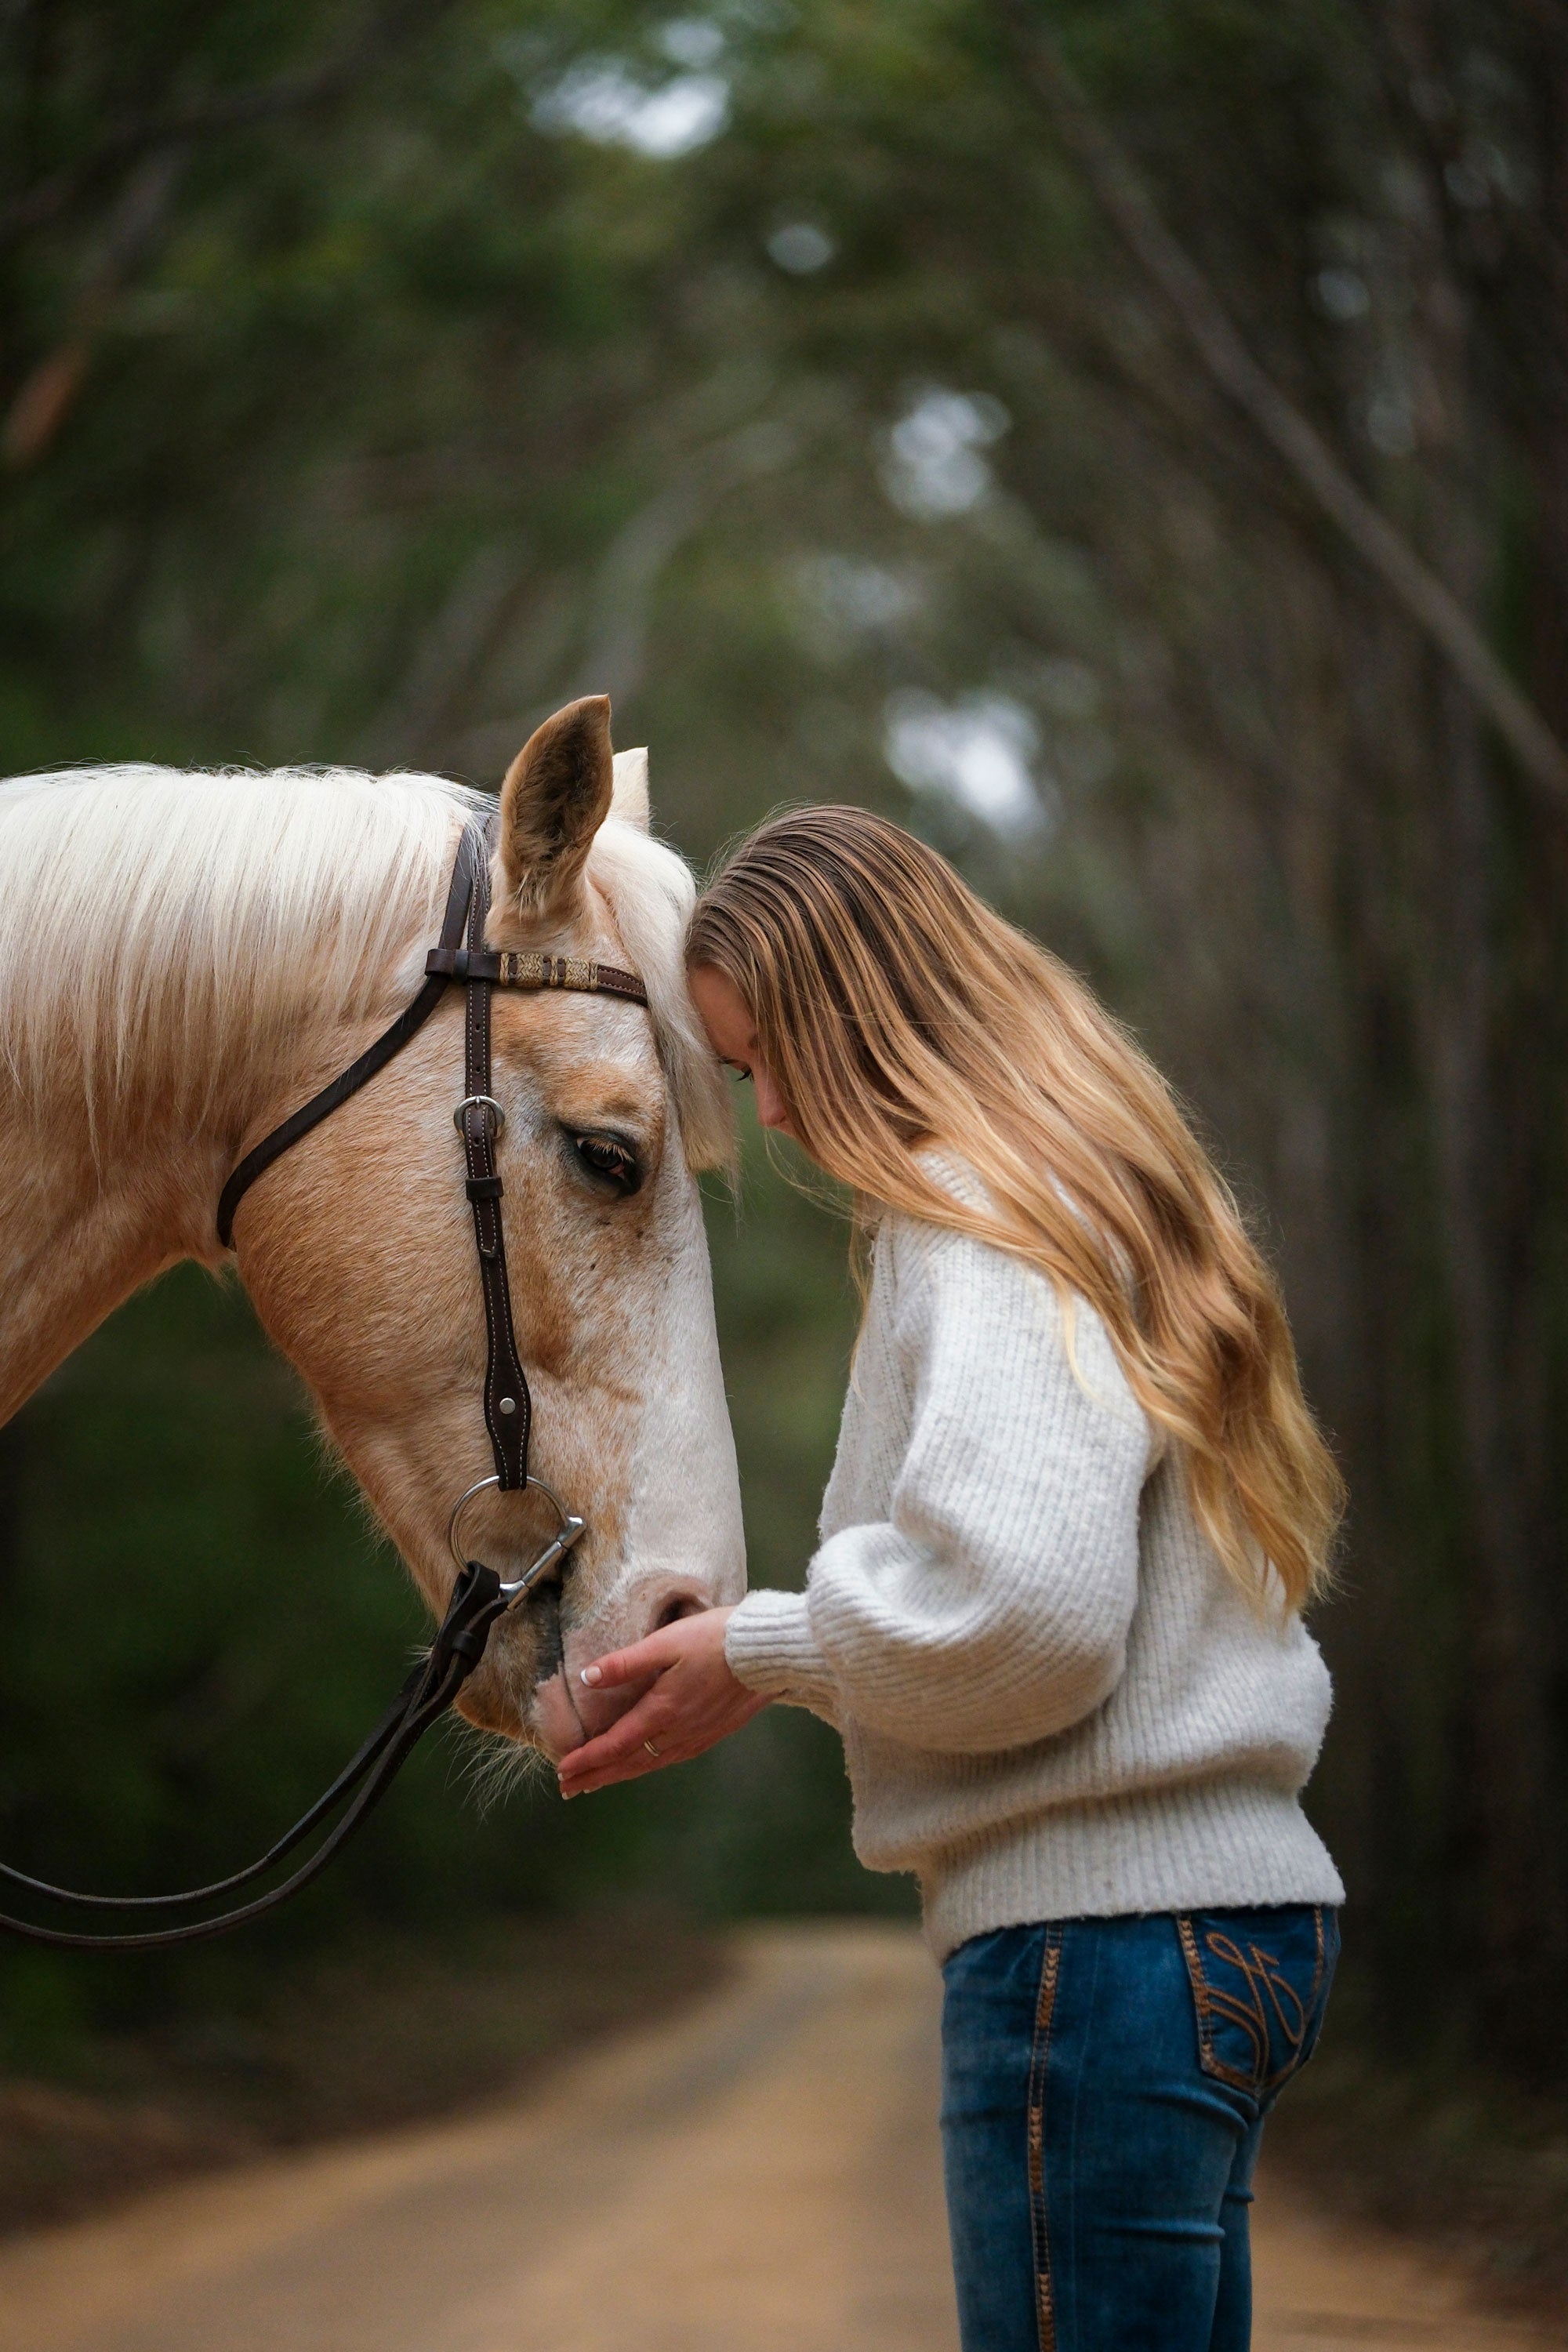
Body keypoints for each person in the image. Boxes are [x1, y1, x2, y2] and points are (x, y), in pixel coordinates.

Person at [557, 805, 1345, 2352]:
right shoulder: (1090, 1187)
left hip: (1097, 1952)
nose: (770, 1111)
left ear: (862, 1018)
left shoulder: (973, 1216)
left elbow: (1027, 1617)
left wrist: (762, 1647)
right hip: (1224, 1930)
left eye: (767, 1053)